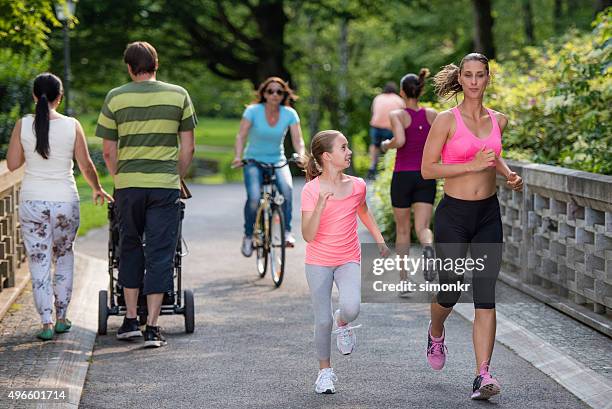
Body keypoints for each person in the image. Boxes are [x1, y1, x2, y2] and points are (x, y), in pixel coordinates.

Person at [420, 53, 523, 400]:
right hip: (453, 216)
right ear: (460, 79)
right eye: (469, 75)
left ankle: (483, 374)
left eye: (481, 75)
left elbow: (491, 155)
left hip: (487, 215)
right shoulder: (446, 121)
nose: (475, 81)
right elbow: (428, 169)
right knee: (450, 289)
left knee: (485, 294)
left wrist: (508, 174)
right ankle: (436, 331)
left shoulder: (499, 120)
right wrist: (470, 165)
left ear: (488, 79)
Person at [96, 41, 197, 348]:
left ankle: (129, 320)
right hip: (164, 185)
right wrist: (175, 176)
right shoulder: (178, 95)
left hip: (128, 185)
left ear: (129, 67)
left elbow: (108, 151)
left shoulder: (115, 97)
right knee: (161, 252)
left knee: (128, 246)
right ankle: (152, 327)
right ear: (157, 64)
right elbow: (188, 147)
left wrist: (119, 178)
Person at [6, 73, 112, 341]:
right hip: (65, 201)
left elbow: (12, 164)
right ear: (59, 97)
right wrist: (97, 188)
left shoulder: (23, 124)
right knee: (64, 257)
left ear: (33, 96)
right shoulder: (72, 125)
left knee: (39, 261)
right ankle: (63, 317)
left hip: (33, 202)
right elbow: (86, 165)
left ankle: (45, 323)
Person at [301, 130, 389, 394]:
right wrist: (319, 206)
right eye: (344, 147)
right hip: (318, 261)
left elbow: (363, 211)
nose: (349, 151)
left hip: (348, 257)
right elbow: (307, 235)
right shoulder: (311, 190)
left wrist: (379, 239)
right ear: (327, 156)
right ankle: (324, 372)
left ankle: (344, 322)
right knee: (322, 320)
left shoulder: (357, 185)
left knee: (351, 308)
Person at [232, 77, 306, 257]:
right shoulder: (252, 111)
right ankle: (249, 235)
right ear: (264, 94)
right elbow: (241, 136)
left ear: (283, 95)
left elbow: (298, 139)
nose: (274, 95)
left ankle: (287, 232)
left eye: (279, 92)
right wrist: (238, 156)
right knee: (254, 197)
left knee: (287, 189)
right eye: (270, 91)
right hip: (253, 161)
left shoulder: (289, 114)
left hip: (277, 160)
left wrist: (301, 155)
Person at [381, 69, 437, 293]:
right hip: (426, 175)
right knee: (423, 227)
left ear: (402, 92)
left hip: (403, 175)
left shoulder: (397, 115)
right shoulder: (432, 114)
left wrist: (387, 144)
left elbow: (400, 140)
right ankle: (428, 246)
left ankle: (404, 281)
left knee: (403, 230)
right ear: (421, 90)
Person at [366, 82, 405, 179]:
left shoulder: (378, 98)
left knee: (375, 145)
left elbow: (373, 111)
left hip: (376, 126)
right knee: (391, 147)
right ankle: (387, 167)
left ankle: (372, 165)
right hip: (390, 127)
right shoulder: (398, 99)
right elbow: (404, 115)